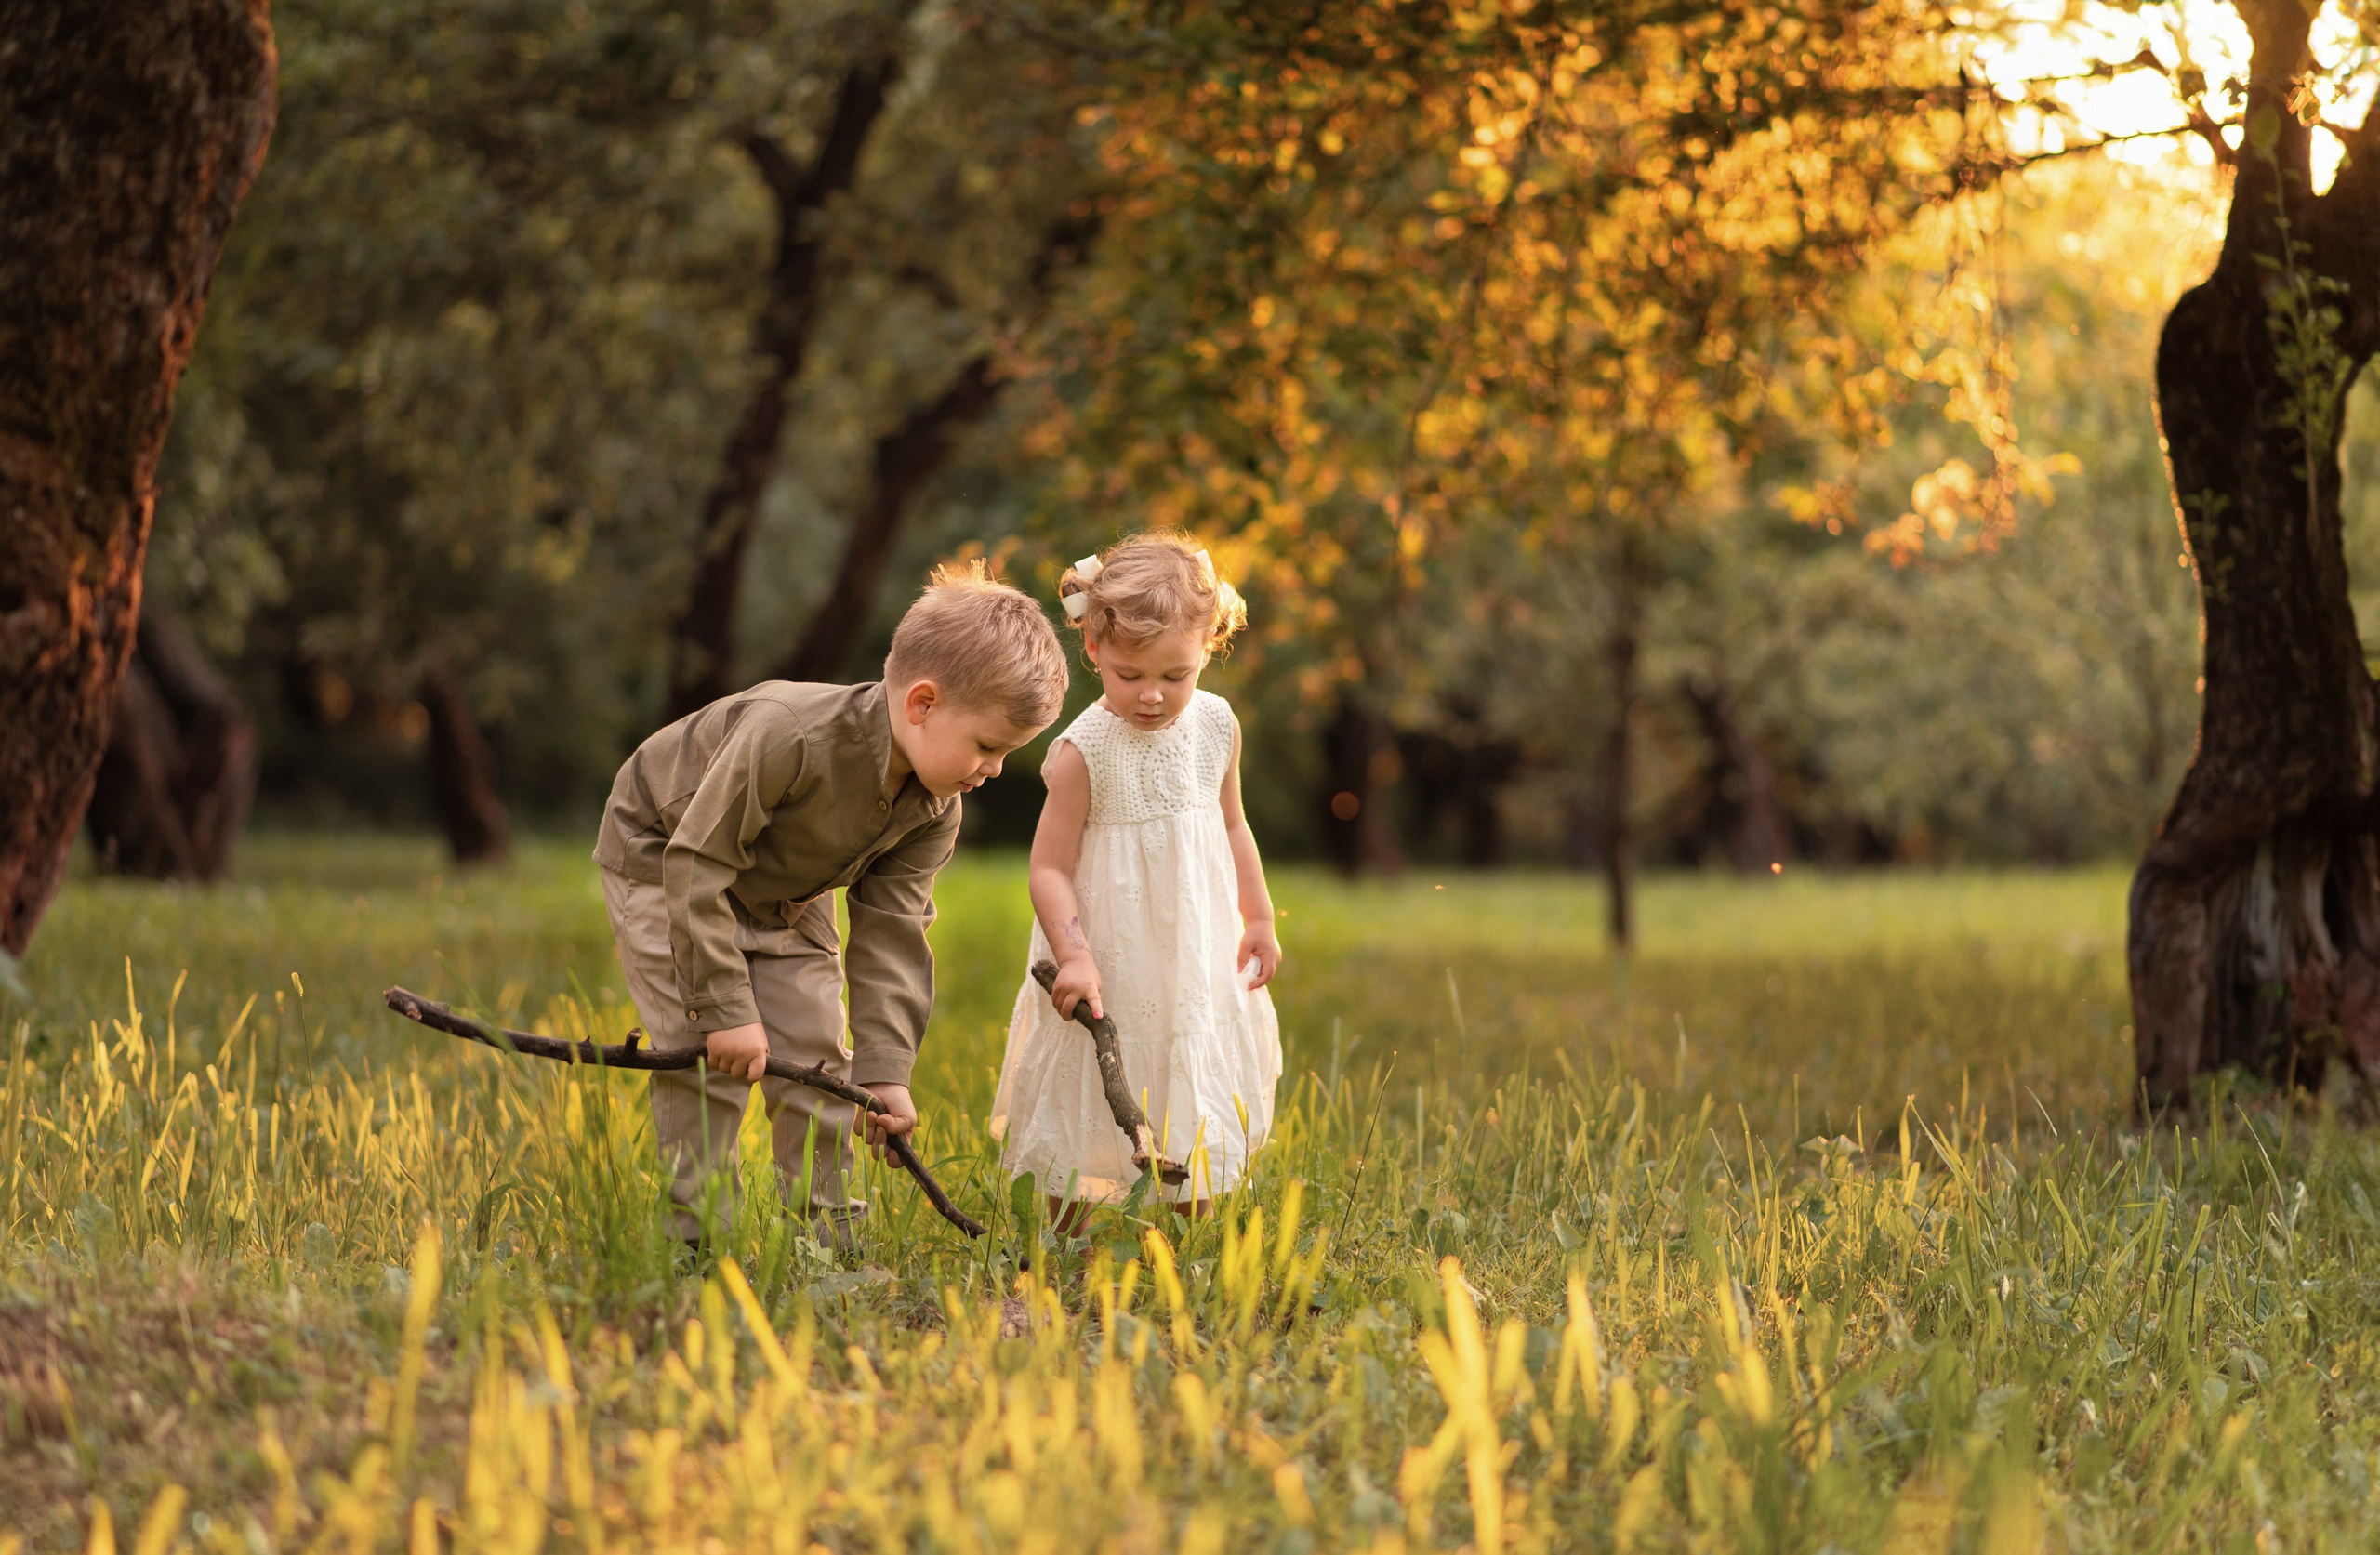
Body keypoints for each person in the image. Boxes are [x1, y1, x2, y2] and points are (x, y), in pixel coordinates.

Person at [595, 563, 1066, 1247]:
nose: (993, 769)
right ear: (922, 703)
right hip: (668, 854)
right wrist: (725, 1008)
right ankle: (697, 1245)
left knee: (819, 1060)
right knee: (706, 1062)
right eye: (988, 746)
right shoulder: (789, 734)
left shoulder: (936, 808)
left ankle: (828, 1244)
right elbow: (697, 863)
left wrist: (885, 1071)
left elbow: (893, 930)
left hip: (787, 884)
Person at [991, 533, 1284, 1220]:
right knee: (1093, 1074)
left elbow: (1233, 826)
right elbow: (1049, 867)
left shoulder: (1216, 725)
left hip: (1193, 950)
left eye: (1175, 676)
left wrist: (1260, 916)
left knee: (1191, 1065)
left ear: (1207, 649)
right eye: (1129, 675)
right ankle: (1066, 1236)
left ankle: (1190, 1233)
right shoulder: (1083, 751)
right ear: (1094, 650)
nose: (1152, 695)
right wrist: (1075, 956)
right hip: (1109, 952)